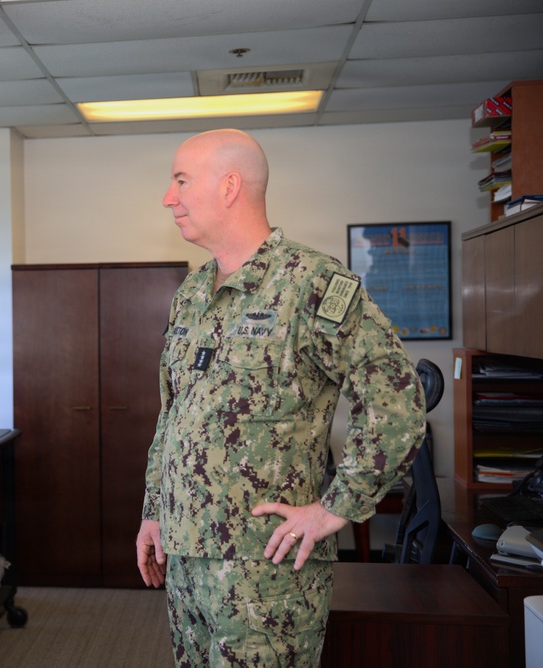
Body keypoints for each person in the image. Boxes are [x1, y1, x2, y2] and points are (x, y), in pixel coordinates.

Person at [135, 130, 425, 667]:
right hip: (186, 559)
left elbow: (397, 403)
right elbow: (172, 414)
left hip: (265, 572)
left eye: (181, 181)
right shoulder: (192, 293)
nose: (168, 197)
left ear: (229, 187)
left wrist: (335, 507)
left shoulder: (311, 283)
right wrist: (155, 510)